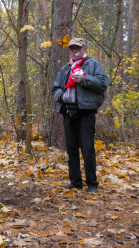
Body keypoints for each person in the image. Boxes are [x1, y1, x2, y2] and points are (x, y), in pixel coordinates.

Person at [52, 38, 109, 193]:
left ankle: (92, 184)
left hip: (86, 112)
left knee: (87, 148)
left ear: (85, 49)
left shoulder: (93, 64)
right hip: (68, 112)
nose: (74, 51)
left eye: (77, 48)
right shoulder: (65, 68)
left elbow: (103, 84)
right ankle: (75, 182)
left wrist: (84, 79)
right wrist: (60, 96)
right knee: (71, 149)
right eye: (72, 48)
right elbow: (56, 88)